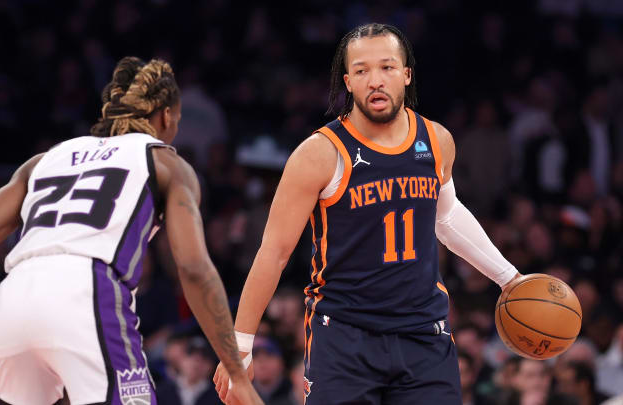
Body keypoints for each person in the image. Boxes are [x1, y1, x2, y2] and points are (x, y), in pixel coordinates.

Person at [0, 57, 263, 405]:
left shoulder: (45, 160)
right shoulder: (166, 162)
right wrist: (236, 371)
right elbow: (192, 267)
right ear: (166, 116)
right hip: (86, 290)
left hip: (16, 295)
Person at [214, 23, 523, 404]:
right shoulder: (319, 154)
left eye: (387, 67)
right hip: (344, 336)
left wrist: (509, 277)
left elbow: (446, 217)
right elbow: (273, 252)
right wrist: (239, 347)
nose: (375, 80)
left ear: (406, 74)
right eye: (361, 71)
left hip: (424, 333)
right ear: (348, 82)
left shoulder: (437, 140)